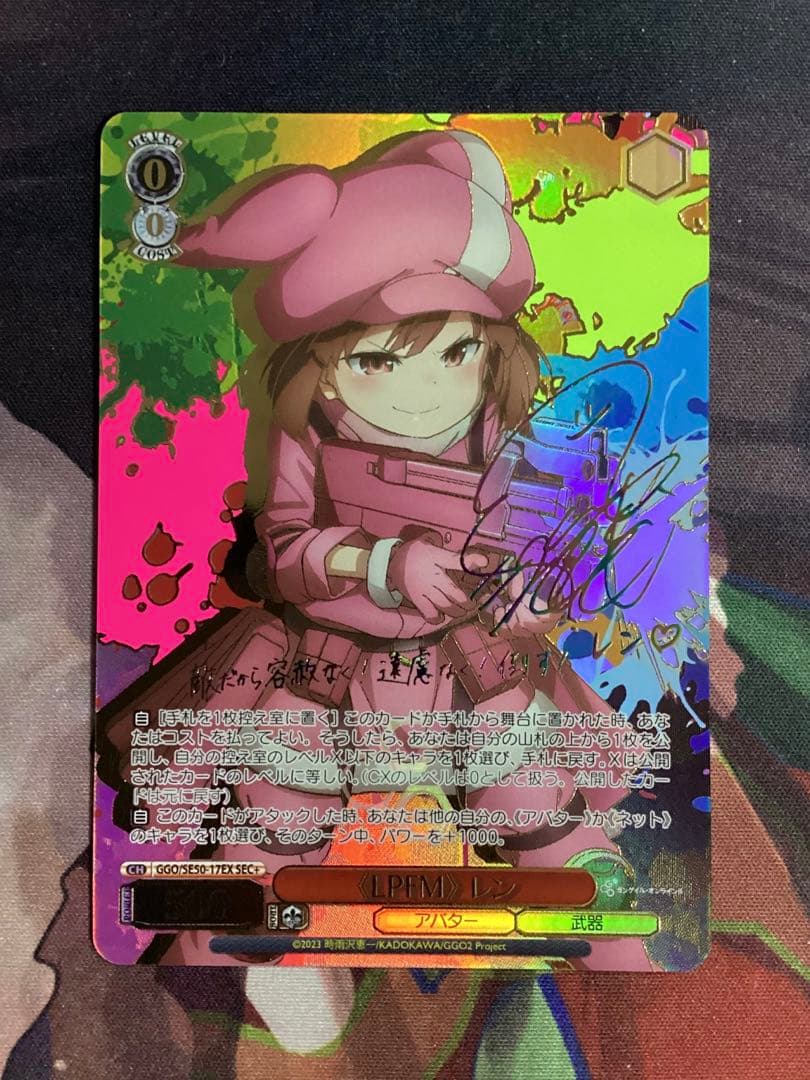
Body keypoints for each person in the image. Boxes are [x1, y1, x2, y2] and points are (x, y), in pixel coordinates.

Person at [148, 128, 653, 969]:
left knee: (558, 844)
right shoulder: (305, 435)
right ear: (326, 365)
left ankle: (632, 969)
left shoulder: (498, 435)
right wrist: (384, 564)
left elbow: (534, 545)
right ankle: (177, 990)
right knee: (266, 866)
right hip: (326, 669)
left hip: (470, 665)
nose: (428, 388)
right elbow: (285, 554)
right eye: (380, 360)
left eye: (458, 352)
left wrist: (528, 595)